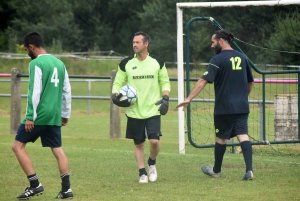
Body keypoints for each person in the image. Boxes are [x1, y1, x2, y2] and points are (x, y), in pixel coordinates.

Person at [176, 30, 254, 180]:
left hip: (224, 108)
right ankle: (249, 170)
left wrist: (189, 98)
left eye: (213, 42)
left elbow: (203, 81)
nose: (211, 46)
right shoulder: (243, 57)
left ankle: (216, 171)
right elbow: (250, 83)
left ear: (222, 41)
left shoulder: (217, 59)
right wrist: (243, 97)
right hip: (242, 106)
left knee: (221, 138)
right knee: (243, 135)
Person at [11, 32, 73, 199]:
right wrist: (65, 113)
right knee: (57, 149)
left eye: (26, 50)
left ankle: (35, 185)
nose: (27, 53)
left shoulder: (36, 63)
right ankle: (66, 189)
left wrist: (30, 116)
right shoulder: (60, 63)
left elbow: (34, 91)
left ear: (31, 47)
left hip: (39, 115)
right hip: (55, 115)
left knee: (17, 147)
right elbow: (67, 90)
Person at [112, 31, 171, 183]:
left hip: (153, 109)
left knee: (154, 142)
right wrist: (114, 95)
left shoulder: (157, 62)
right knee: (138, 143)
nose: (134, 45)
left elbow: (165, 81)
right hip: (134, 111)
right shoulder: (126, 64)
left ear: (146, 44)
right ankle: (142, 173)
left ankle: (151, 163)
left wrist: (165, 97)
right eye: (133, 42)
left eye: (138, 42)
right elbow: (118, 82)